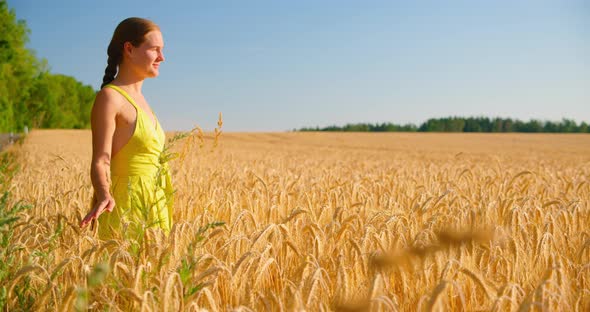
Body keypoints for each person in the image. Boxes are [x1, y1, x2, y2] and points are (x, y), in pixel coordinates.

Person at [80, 17, 173, 240]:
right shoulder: (110, 98)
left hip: (156, 205)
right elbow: (101, 160)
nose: (162, 57)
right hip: (125, 209)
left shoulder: (143, 101)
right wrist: (103, 194)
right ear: (129, 49)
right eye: (155, 49)